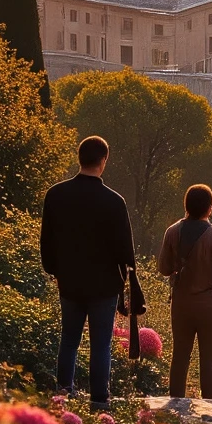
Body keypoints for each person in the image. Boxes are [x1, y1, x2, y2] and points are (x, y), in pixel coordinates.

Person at [40, 136, 136, 408]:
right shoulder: (114, 201)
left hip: (69, 280)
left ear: (79, 158)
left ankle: (62, 392)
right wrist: (125, 279)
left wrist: (54, 270)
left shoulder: (56, 194)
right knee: (101, 343)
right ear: (103, 161)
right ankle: (99, 400)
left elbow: (46, 240)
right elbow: (124, 250)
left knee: (69, 339)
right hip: (104, 284)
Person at [157, 184, 212, 413]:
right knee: (210, 360)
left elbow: (163, 267)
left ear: (186, 206)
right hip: (210, 304)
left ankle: (175, 407)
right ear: (210, 208)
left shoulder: (172, 232)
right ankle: (210, 408)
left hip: (181, 303)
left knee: (180, 356)